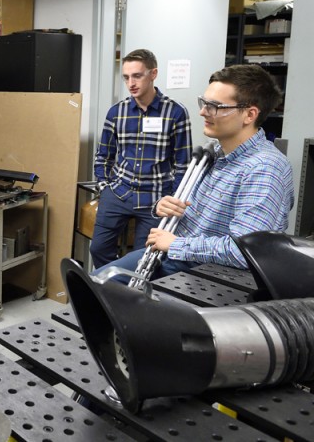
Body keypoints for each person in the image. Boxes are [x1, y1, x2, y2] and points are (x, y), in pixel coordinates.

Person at [95, 64, 294, 283]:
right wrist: (164, 206)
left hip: (208, 273)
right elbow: (191, 214)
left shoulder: (265, 169)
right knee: (96, 284)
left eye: (214, 106)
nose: (202, 112)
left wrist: (175, 244)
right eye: (204, 102)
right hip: (174, 257)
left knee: (103, 290)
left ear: (249, 114)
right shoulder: (214, 153)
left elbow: (243, 252)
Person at [90, 49, 192, 268]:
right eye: (126, 77)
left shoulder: (176, 112)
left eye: (137, 76)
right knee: (97, 248)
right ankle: (109, 290)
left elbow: (183, 164)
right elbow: (103, 156)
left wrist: (172, 198)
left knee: (141, 260)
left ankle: (129, 297)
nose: (131, 83)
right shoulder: (117, 112)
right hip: (118, 192)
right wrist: (104, 186)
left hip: (155, 197)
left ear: (153, 73)